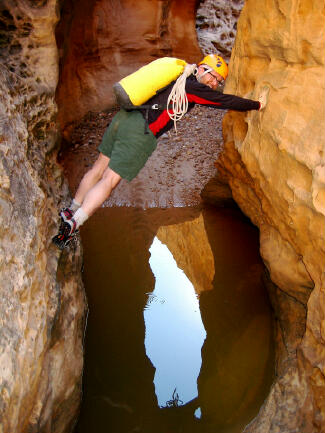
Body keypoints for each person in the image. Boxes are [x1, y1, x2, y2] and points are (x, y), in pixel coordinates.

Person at [52, 54, 267, 249]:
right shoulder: (193, 88)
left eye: (219, 82)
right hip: (140, 132)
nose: (214, 83)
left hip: (125, 117)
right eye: (214, 77)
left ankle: (71, 209)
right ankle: (74, 224)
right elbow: (225, 101)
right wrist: (256, 105)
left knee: (98, 168)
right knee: (109, 180)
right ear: (202, 69)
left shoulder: (178, 74)